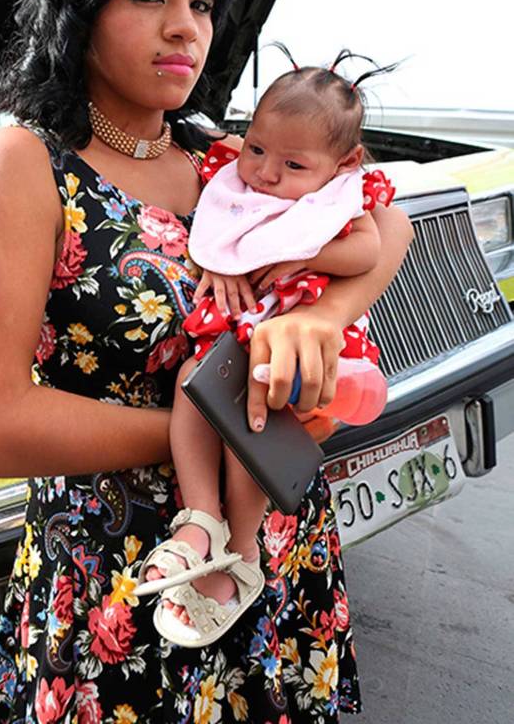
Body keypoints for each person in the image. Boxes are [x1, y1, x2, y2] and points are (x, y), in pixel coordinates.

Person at [0, 0, 413, 724]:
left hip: (276, 561)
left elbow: (387, 225)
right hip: (128, 586)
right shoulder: (27, 164)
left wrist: (324, 315)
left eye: (199, 3)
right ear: (81, 8)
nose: (183, 28)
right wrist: (229, 432)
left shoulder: (220, 155)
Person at [135, 58, 397, 648]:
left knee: (251, 418)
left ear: (345, 164)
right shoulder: (232, 172)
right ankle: (200, 520)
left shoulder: (341, 198)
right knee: (191, 384)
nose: (265, 175)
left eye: (292, 165)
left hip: (287, 342)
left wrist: (307, 258)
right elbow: (218, 225)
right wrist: (221, 254)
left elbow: (368, 248)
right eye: (256, 149)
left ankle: (242, 546)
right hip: (238, 332)